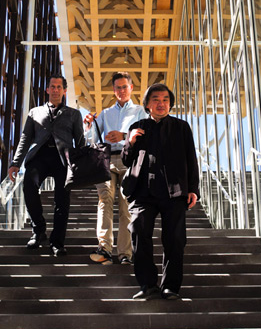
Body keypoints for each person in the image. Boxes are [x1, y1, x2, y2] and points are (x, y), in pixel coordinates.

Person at [121, 84, 199, 300]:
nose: (161, 103)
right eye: (156, 99)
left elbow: (191, 159)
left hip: (174, 191)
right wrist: (130, 142)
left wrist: (193, 189)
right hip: (142, 191)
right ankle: (147, 285)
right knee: (138, 230)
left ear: (170, 104)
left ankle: (170, 287)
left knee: (174, 238)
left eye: (165, 99)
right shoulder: (137, 126)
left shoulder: (181, 127)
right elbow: (127, 160)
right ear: (147, 104)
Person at [8, 75, 85, 256]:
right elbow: (25, 138)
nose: (56, 90)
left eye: (59, 87)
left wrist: (81, 167)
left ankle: (57, 242)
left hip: (62, 159)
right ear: (47, 90)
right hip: (39, 157)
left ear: (64, 91)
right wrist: (15, 163)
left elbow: (80, 141)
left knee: (62, 201)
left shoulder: (74, 114)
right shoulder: (35, 112)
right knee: (29, 187)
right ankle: (38, 229)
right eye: (53, 87)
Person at [84, 71, 147, 265]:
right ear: (113, 90)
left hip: (130, 160)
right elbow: (93, 141)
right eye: (118, 87)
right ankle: (104, 248)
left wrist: (123, 136)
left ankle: (125, 253)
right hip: (107, 159)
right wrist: (89, 127)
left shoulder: (139, 111)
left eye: (124, 86)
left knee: (126, 205)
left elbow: (145, 134)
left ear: (131, 88)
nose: (121, 90)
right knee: (105, 199)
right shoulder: (106, 113)